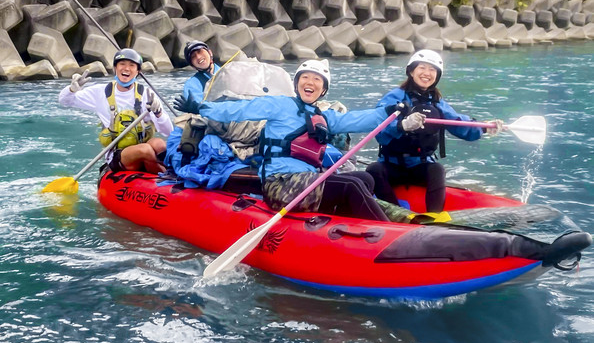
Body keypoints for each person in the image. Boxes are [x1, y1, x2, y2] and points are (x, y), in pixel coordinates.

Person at [176, 59, 423, 222]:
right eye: (305, 77)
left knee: (364, 178)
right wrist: (202, 107)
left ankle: (394, 219)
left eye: (317, 80)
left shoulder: (322, 116)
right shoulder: (280, 105)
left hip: (308, 182)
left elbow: (358, 120)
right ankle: (389, 231)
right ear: (297, 83)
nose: (310, 83)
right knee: (351, 186)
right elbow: (240, 110)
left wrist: (390, 112)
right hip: (281, 185)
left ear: (323, 89)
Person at [366, 49, 503, 212]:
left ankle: (434, 217)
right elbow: (379, 127)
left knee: (437, 169)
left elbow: (457, 122)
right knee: (373, 170)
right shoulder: (394, 97)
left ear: (437, 76)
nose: (427, 73)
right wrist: (401, 125)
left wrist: (484, 127)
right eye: (422, 68)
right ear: (411, 71)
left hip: (420, 166)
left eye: (432, 70)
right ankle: (395, 213)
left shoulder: (437, 102)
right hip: (391, 165)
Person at [59, 48, 173, 173]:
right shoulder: (100, 92)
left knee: (159, 144)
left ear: (138, 71)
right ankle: (164, 176)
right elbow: (64, 101)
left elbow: (168, 132)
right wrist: (72, 89)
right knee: (145, 150)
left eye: (132, 65)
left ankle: (171, 173)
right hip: (118, 154)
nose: (126, 68)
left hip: (143, 143)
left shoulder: (147, 94)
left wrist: (158, 113)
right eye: (122, 64)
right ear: (115, 68)